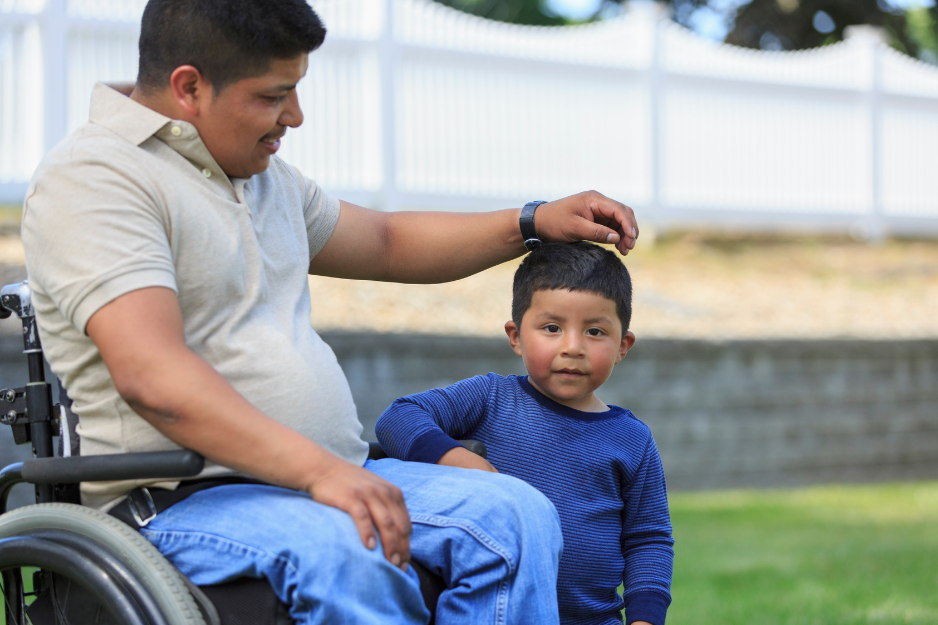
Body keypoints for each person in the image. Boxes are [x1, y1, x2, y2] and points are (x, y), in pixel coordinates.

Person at [20, 0, 640, 623]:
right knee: (353, 549)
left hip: (319, 475)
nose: (295, 115)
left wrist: (532, 221)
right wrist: (320, 474)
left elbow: (388, 242)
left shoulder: (260, 178)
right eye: (274, 96)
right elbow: (152, 376)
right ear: (190, 88)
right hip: (179, 499)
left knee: (516, 514)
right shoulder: (97, 177)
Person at [375, 242, 674, 625]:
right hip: (496, 611)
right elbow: (400, 417)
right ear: (516, 336)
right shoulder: (491, 397)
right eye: (552, 328)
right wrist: (459, 461)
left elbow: (648, 539)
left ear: (622, 346)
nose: (572, 347)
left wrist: (645, 618)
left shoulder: (632, 439)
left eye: (595, 331)